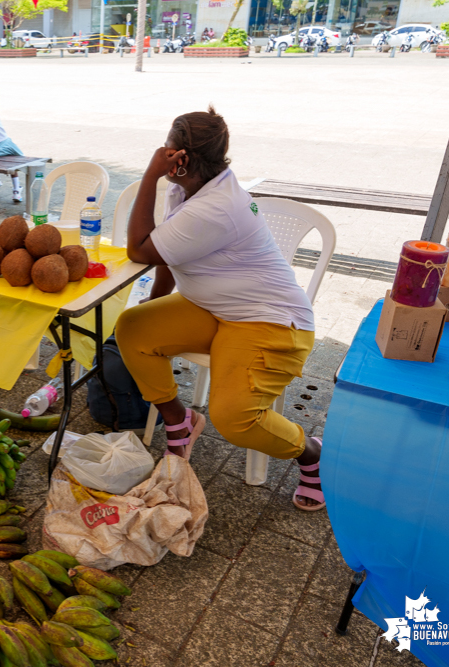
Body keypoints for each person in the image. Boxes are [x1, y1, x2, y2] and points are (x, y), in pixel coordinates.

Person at [114, 107, 324, 512]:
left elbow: (139, 248)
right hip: (214, 307)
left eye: (168, 150)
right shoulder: (192, 189)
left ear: (182, 159)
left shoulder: (214, 207)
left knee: (234, 419)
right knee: (134, 328)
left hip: (270, 321)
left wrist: (148, 175)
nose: (163, 154)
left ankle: (312, 451)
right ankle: (180, 421)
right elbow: (169, 255)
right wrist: (156, 303)